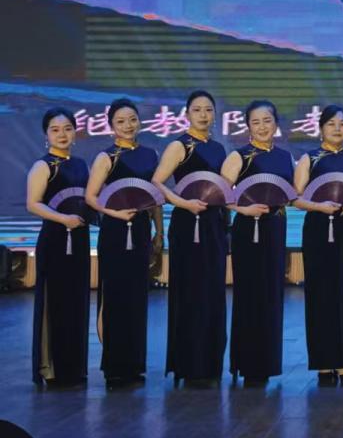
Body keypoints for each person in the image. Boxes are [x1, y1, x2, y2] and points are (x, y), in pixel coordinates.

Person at [152, 90, 228, 386]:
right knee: (191, 292)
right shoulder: (179, 145)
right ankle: (189, 364)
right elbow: (157, 183)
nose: (203, 115)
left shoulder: (218, 148)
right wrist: (184, 203)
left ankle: (210, 363)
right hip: (188, 225)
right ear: (187, 114)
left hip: (214, 224)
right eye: (197, 110)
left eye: (208, 109)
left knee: (212, 293)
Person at [85, 98, 159, 388]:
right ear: (111, 126)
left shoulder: (150, 155)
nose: (128, 125)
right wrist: (115, 213)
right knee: (115, 297)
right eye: (120, 121)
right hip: (115, 231)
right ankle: (114, 367)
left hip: (140, 230)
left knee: (137, 298)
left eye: (132, 119)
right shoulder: (106, 157)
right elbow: (91, 197)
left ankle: (135, 364)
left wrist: (159, 232)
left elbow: (154, 197)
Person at [221, 99, 294, 386]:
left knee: (272, 294)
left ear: (276, 123)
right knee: (250, 295)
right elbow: (220, 194)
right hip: (248, 229)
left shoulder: (285, 157)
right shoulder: (239, 156)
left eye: (267, 120)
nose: (262, 127)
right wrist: (243, 209)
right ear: (248, 127)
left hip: (275, 227)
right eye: (256, 122)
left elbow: (293, 193)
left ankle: (267, 364)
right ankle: (246, 364)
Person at [293, 104, 343, 386]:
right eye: (331, 123)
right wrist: (320, 207)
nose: (337, 128)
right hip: (319, 230)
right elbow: (295, 198)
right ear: (321, 128)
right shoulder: (310, 158)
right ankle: (324, 363)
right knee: (321, 293)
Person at [26, 107, 91, 388]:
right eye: (55, 130)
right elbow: (33, 203)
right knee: (55, 303)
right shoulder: (43, 166)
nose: (62, 134)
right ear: (46, 135)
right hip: (54, 240)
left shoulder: (81, 165)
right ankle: (51, 369)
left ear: (75, 132)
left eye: (67, 129)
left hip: (80, 239)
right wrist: (63, 218)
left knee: (77, 303)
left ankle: (74, 368)